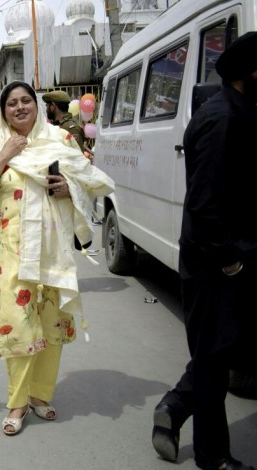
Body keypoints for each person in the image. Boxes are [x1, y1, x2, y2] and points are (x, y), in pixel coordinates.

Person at [0, 81, 113, 436]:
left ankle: (39, 395)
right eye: (11, 103)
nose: (19, 107)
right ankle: (17, 402)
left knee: (50, 325)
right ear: (3, 111)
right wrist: (3, 157)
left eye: (25, 101)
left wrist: (68, 191)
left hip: (51, 251)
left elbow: (89, 183)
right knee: (17, 325)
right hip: (10, 252)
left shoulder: (61, 141)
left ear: (36, 105)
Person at [151, 32, 257, 470]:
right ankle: (212, 457)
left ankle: (175, 407)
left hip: (232, 257)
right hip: (217, 264)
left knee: (228, 349)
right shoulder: (221, 118)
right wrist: (230, 258)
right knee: (214, 361)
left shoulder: (239, 111)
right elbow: (206, 203)